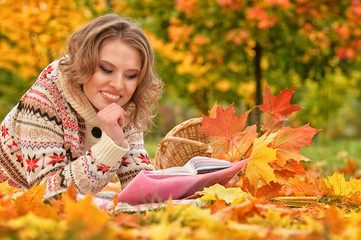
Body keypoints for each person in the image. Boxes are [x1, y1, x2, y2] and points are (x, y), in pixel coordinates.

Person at [0, 14, 163, 198]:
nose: (118, 85)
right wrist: (112, 144)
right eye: (106, 70)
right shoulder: (42, 102)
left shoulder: (125, 107)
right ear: (84, 63)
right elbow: (48, 195)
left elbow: (138, 183)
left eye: (131, 75)